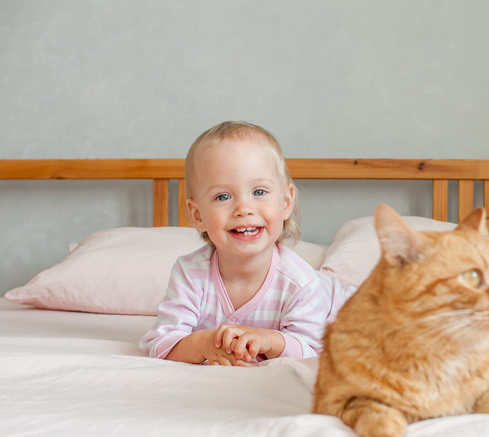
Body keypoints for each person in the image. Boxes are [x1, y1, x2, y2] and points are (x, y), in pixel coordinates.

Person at [140, 121, 352, 366]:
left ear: (285, 202)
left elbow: (310, 352)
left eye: (259, 192)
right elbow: (161, 344)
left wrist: (273, 341)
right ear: (198, 215)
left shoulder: (300, 283)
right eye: (223, 196)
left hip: (342, 306)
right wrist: (203, 345)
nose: (244, 209)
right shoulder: (190, 274)